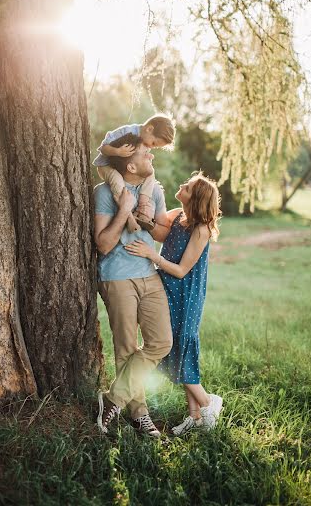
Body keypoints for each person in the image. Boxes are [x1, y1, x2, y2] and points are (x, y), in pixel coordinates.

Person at [125, 172, 223, 434]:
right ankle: (195, 417)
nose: (182, 186)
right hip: (167, 290)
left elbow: (181, 270)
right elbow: (158, 232)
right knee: (174, 346)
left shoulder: (200, 229)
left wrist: (150, 256)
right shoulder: (179, 215)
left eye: (188, 187)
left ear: (197, 199)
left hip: (185, 294)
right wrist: (140, 210)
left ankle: (208, 402)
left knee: (180, 345)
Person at [94, 133, 173, 437]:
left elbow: (162, 233)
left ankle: (113, 399)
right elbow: (102, 244)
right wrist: (124, 209)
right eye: (145, 153)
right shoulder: (104, 193)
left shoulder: (153, 190)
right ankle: (139, 414)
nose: (151, 156)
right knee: (126, 349)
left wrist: (150, 221)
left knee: (161, 342)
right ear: (129, 166)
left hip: (148, 273)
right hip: (116, 275)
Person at [93, 114, 176, 233]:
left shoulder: (145, 141)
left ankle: (142, 205)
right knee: (117, 181)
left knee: (151, 174)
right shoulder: (127, 131)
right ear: (149, 129)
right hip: (106, 166)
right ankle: (129, 217)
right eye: (153, 143)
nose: (151, 147)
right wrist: (117, 151)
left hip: (125, 168)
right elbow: (103, 148)